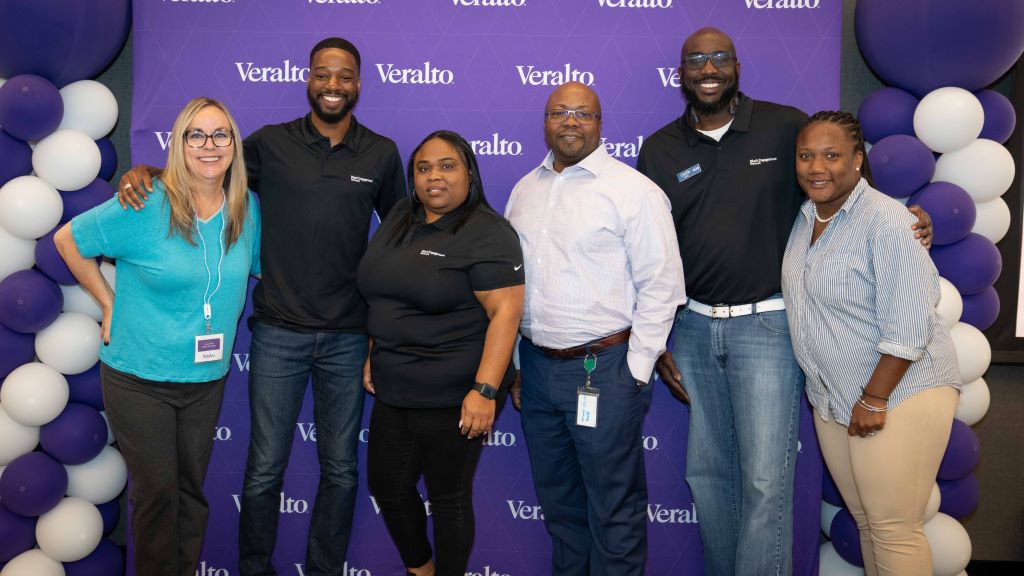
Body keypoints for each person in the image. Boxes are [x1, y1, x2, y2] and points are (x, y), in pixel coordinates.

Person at [635, 27, 933, 575]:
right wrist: (655, 338)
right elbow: (645, 251)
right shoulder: (658, 149)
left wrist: (902, 214)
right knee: (707, 476)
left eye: (720, 58)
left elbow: (839, 178)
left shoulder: (784, 125)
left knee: (764, 480)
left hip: (768, 326)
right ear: (681, 72)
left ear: (736, 67)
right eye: (696, 60)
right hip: (692, 329)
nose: (708, 69)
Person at [117, 38, 405, 576]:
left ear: (359, 83)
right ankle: (255, 568)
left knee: (341, 471)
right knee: (265, 469)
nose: (333, 85)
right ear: (308, 79)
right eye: (323, 74)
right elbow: (207, 169)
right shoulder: (271, 143)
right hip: (277, 333)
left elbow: (400, 238)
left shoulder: (381, 153)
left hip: (349, 335)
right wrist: (150, 172)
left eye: (344, 76)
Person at [55, 97, 260, 576]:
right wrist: (109, 303)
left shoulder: (245, 207)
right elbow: (68, 240)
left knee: (190, 494)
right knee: (157, 497)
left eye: (221, 134)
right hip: (139, 378)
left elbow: (257, 268)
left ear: (234, 145)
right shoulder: (145, 203)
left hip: (205, 379)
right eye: (196, 135)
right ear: (179, 144)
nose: (209, 145)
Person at [506, 81, 686, 576]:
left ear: (600, 124)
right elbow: (515, 285)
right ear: (545, 122)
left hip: (605, 369)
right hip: (536, 370)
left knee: (614, 510)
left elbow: (662, 285)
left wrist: (636, 371)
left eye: (582, 113)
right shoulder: (524, 190)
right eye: (559, 112)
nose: (570, 122)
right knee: (561, 508)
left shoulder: (634, 191)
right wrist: (517, 365)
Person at [782, 110, 961, 576]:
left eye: (831, 155)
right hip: (835, 396)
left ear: (857, 160)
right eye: (806, 156)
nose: (817, 167)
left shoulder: (887, 220)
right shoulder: (805, 218)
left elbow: (910, 322)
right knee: (869, 524)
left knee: (894, 529)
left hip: (899, 391)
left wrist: (875, 397)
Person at [356, 130, 525, 576]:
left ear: (469, 173)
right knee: (388, 487)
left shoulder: (489, 233)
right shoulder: (400, 215)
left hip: (456, 392)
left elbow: (505, 313)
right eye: (424, 168)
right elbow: (383, 291)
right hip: (395, 385)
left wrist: (485, 390)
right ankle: (421, 570)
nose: (434, 176)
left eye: (447, 166)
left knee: (448, 497)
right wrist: (375, 347)